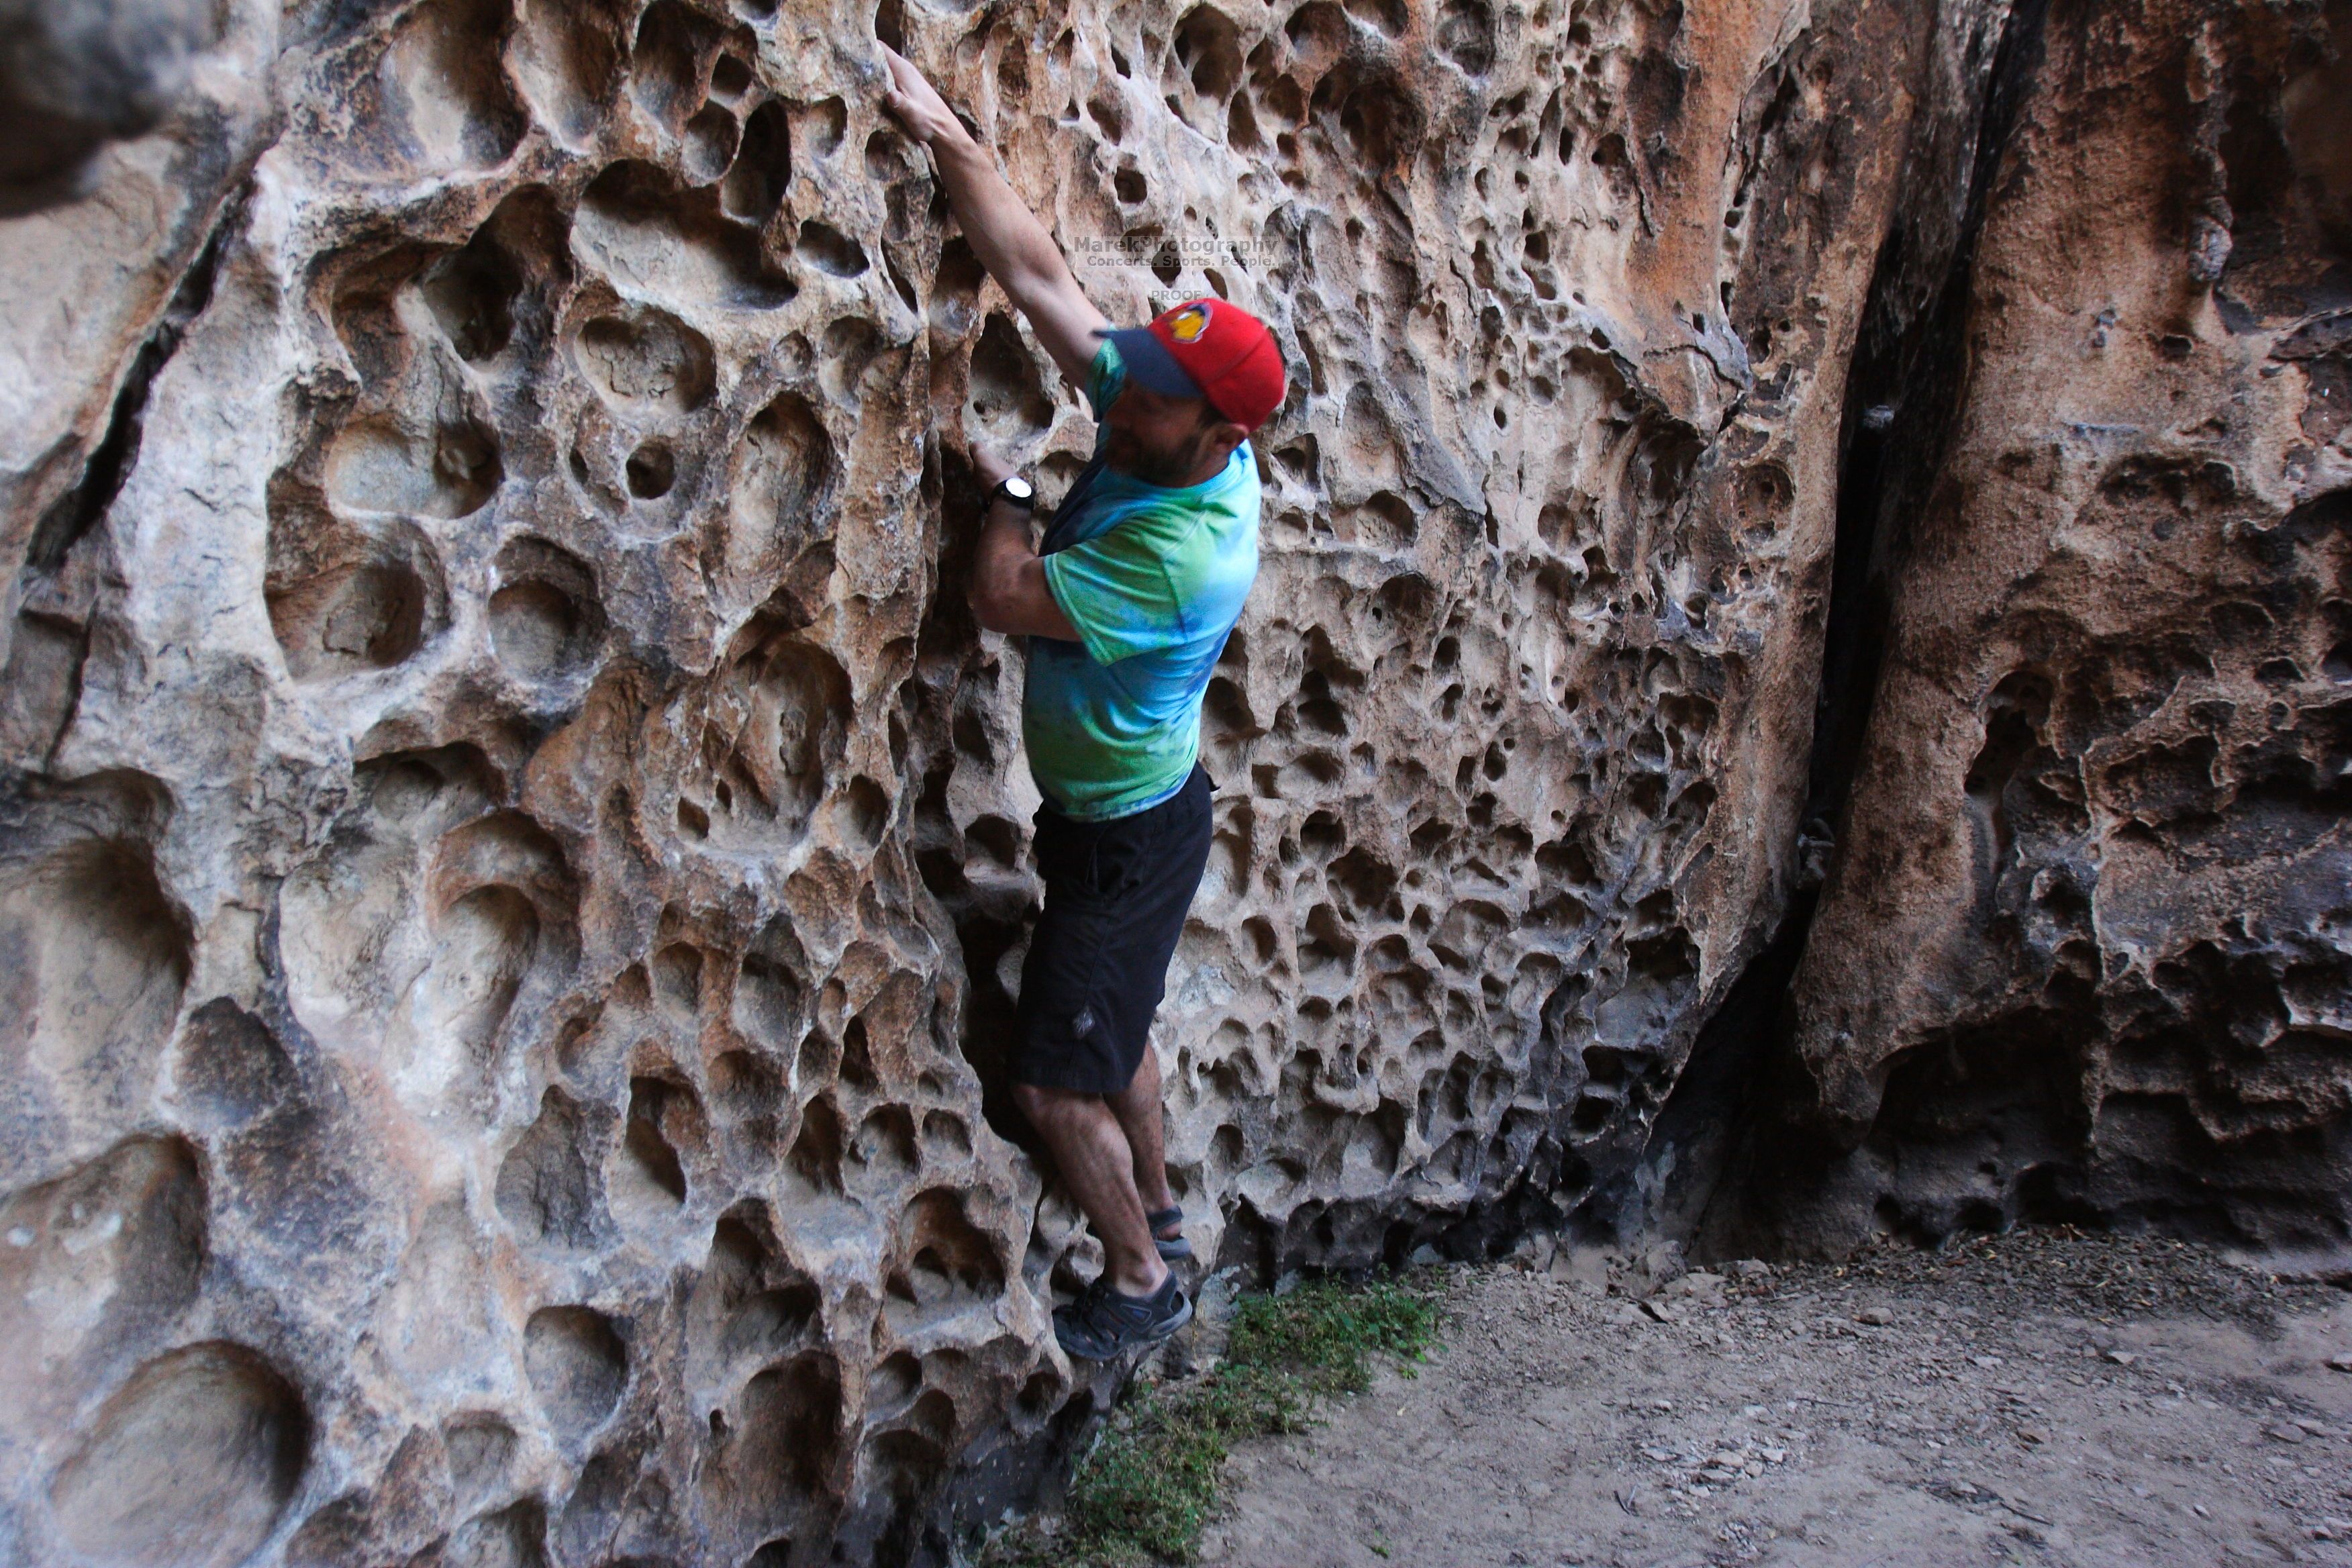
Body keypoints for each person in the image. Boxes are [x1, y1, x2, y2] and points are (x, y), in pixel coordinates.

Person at [879, 44, 1286, 1359]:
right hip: (1131, 821)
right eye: (1142, 378)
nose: (1124, 400)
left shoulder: (1185, 553)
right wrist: (949, 129)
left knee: (1058, 1085)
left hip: (1123, 837)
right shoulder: (1159, 412)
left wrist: (999, 489)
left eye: (1156, 402)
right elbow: (1041, 273)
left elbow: (1003, 597)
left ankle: (1135, 1278)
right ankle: (1158, 1215)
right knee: (1119, 1029)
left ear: (1217, 437)